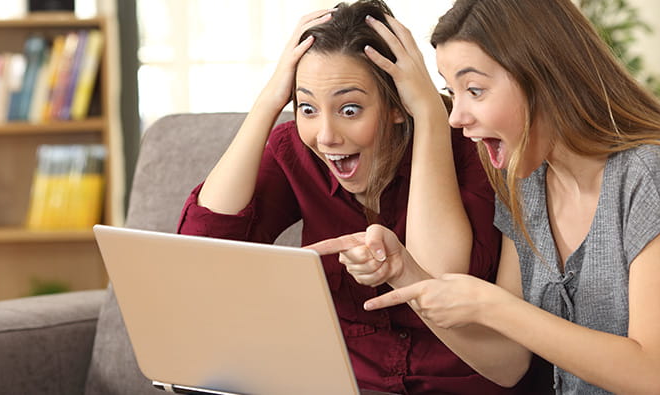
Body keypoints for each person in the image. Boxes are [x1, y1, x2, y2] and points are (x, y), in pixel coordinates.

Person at [307, 0, 660, 394]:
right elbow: (508, 364)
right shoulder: (525, 183)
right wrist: (407, 273)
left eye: (474, 90)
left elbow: (652, 376)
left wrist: (492, 305)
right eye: (452, 91)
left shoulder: (649, 172)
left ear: (543, 77)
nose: (457, 117)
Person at [177, 1, 548, 393]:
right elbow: (201, 252)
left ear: (396, 106)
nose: (326, 136)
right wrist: (269, 100)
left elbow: (434, 278)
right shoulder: (296, 151)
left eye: (349, 109)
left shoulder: (476, 150)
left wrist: (428, 114)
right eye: (307, 108)